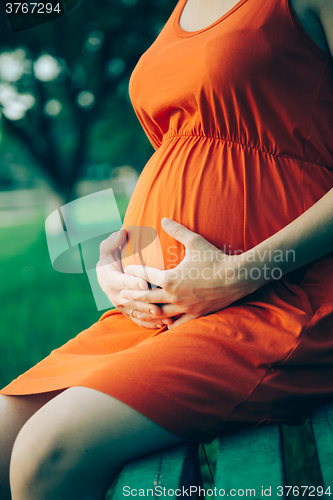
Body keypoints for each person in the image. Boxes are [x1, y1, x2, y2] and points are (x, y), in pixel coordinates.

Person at [1, 0, 333, 498]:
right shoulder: (183, 8)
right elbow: (185, 155)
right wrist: (120, 272)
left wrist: (238, 274)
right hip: (159, 315)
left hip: (282, 301)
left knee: (47, 455)